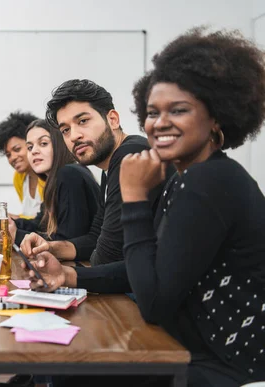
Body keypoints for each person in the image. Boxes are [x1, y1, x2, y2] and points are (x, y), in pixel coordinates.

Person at [24, 28, 265, 386]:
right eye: (153, 112)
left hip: (221, 361)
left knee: (69, 370)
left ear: (216, 116)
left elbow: (152, 298)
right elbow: (156, 269)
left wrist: (134, 196)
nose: (160, 123)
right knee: (65, 366)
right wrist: (69, 275)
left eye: (179, 110)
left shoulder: (210, 182)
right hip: (189, 343)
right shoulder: (193, 176)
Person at [20, 79, 171, 265]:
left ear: (113, 120)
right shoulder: (107, 169)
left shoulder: (129, 155)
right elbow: (95, 238)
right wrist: (50, 247)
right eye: (65, 130)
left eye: (83, 121)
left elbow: (108, 256)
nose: (74, 136)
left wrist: (69, 276)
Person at [7, 119, 100, 246]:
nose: (34, 151)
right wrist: (9, 223)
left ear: (59, 144)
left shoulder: (69, 174)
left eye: (43, 143)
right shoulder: (55, 180)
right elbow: (40, 224)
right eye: (30, 147)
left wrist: (17, 235)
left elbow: (66, 241)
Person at [0, 111, 45, 218]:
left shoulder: (50, 176)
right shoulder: (18, 178)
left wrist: (17, 220)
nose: (12, 158)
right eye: (8, 155)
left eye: (17, 149)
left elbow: (47, 221)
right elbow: (31, 216)